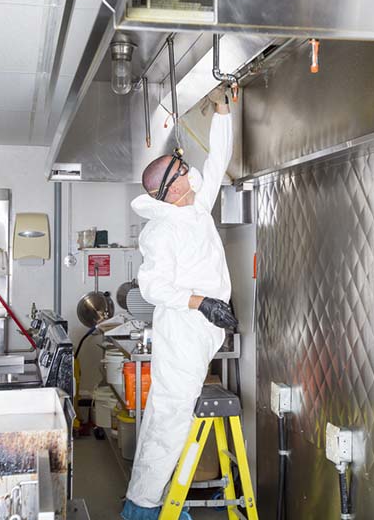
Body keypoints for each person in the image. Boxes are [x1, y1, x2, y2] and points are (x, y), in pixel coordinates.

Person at [121, 88, 239, 520]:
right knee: (169, 418)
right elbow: (152, 287)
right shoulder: (161, 231)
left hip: (203, 327)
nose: (190, 169)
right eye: (181, 168)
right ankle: (143, 509)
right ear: (172, 191)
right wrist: (202, 302)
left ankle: (158, 497)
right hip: (184, 327)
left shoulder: (194, 209)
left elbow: (218, 161)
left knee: (173, 415)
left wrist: (224, 110)